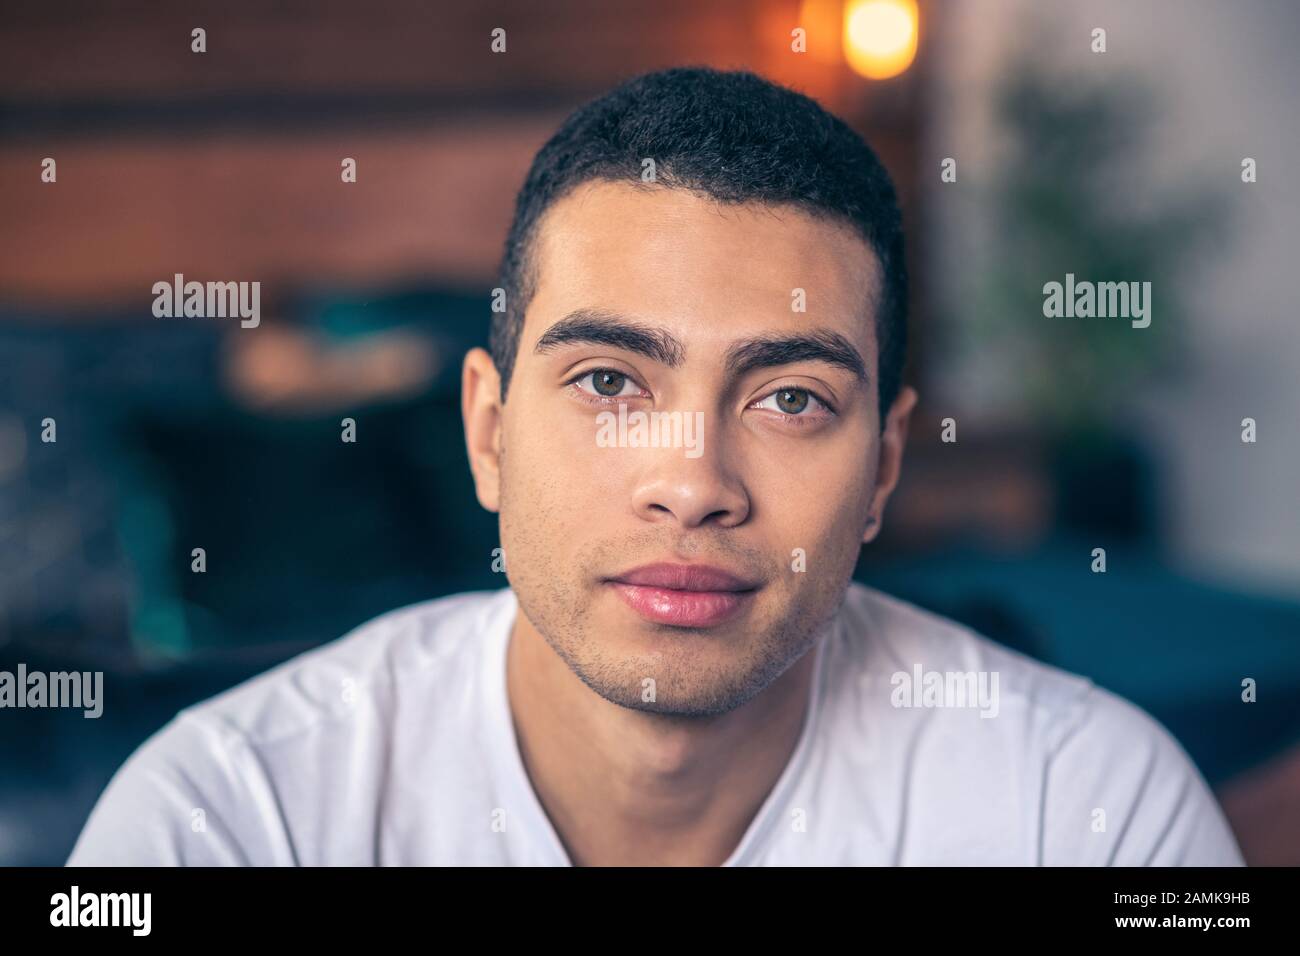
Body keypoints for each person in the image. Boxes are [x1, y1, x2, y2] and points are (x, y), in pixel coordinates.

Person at [67, 67, 1243, 866]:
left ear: (883, 467)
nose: (690, 481)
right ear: (487, 431)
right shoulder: (223, 820)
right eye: (609, 381)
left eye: (791, 397)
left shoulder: (1089, 811)